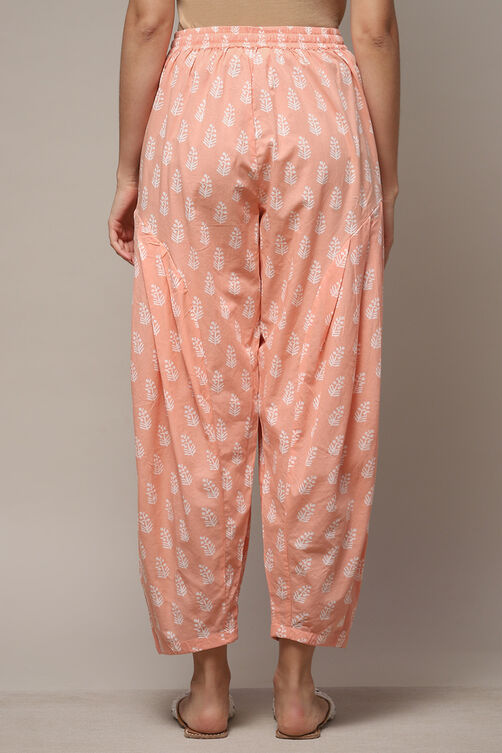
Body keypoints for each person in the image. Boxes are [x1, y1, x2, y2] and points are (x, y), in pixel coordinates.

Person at [108, 0, 399, 740]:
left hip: (197, 108)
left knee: (195, 393)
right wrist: (388, 179)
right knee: (319, 389)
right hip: (322, 111)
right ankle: (296, 690)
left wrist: (128, 167)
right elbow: (373, 29)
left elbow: (148, 20)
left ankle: (208, 687)